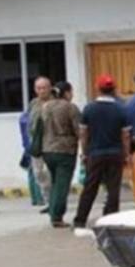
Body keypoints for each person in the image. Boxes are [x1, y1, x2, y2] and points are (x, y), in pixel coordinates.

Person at [73, 75, 131, 229]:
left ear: (97, 88)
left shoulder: (89, 108)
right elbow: (125, 135)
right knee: (113, 188)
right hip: (115, 153)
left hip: (95, 153)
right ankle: (110, 220)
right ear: (114, 89)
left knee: (90, 187)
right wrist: (126, 154)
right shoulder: (121, 109)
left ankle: (80, 220)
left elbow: (84, 134)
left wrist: (84, 153)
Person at [40, 82, 80, 228]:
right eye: (71, 91)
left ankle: (53, 211)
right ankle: (57, 216)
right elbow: (79, 129)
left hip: (47, 149)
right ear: (66, 93)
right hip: (65, 150)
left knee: (55, 182)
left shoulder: (45, 107)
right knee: (62, 185)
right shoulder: (70, 108)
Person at [27, 76, 53, 211]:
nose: (42, 91)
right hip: (36, 144)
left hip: (52, 144)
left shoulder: (56, 103)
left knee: (50, 172)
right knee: (38, 173)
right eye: (39, 88)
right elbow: (29, 122)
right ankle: (47, 199)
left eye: (44, 88)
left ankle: (54, 201)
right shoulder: (33, 103)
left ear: (50, 88)